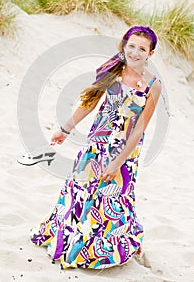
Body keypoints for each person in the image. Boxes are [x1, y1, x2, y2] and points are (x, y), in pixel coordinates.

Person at [30, 25, 162, 269]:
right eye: (131, 45)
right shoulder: (113, 70)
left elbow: (139, 128)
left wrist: (118, 161)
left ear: (150, 54)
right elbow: (89, 103)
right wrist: (65, 129)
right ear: (124, 45)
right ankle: (70, 239)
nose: (135, 52)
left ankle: (113, 244)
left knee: (115, 197)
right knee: (80, 190)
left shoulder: (153, 85)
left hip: (125, 150)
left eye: (142, 49)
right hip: (97, 143)